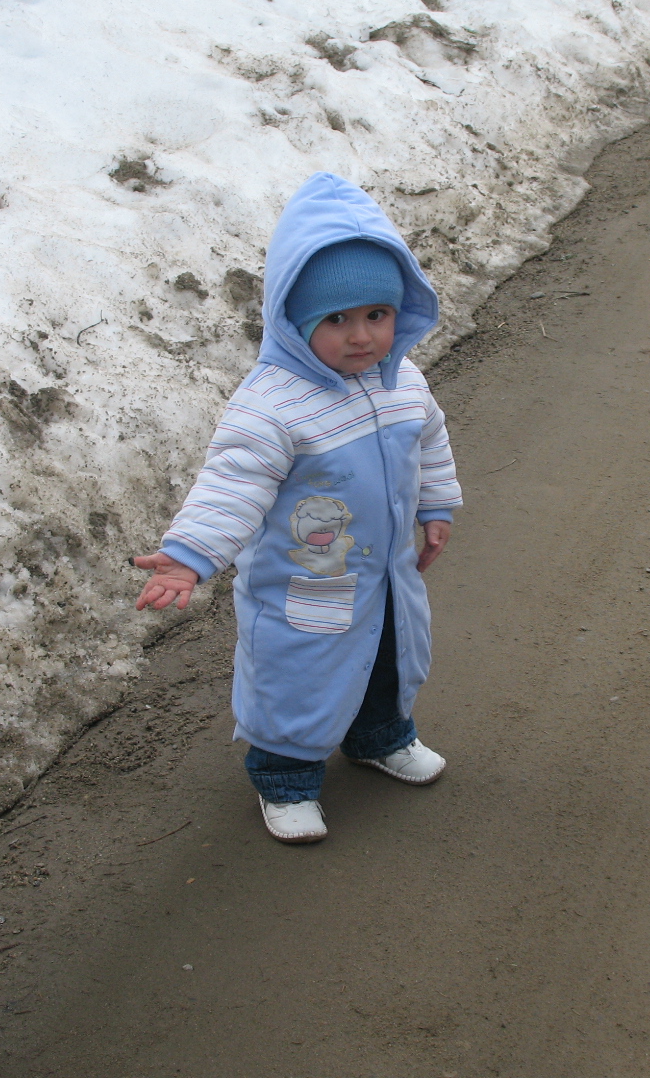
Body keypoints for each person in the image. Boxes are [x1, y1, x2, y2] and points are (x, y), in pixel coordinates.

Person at [133, 172, 462, 844]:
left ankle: (381, 735)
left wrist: (436, 505)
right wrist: (191, 555)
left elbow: (429, 441)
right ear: (294, 319)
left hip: (387, 574)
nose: (361, 336)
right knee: (299, 675)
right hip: (306, 582)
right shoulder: (273, 403)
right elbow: (234, 481)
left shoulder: (403, 381)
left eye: (377, 315)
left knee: (390, 656)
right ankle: (284, 776)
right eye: (336, 320)